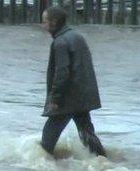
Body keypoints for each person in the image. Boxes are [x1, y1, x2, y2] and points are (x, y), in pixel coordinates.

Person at [40, 6, 106, 157]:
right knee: (87, 134)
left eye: (44, 22)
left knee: (48, 137)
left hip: (67, 99)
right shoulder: (77, 36)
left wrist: (55, 98)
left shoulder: (60, 42)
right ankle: (103, 161)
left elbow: (62, 72)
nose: (42, 25)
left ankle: (41, 165)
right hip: (82, 96)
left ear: (54, 22)